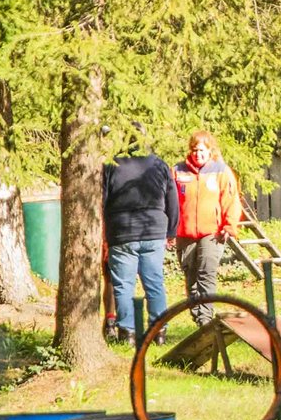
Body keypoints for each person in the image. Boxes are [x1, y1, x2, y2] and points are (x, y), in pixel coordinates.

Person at [103, 137, 179, 345]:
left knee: (123, 284)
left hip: (122, 230)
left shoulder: (111, 165)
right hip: (153, 229)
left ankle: (127, 332)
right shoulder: (159, 164)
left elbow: (102, 199)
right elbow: (172, 198)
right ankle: (159, 331)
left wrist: (104, 232)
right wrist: (171, 229)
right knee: (154, 282)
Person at [173, 131, 243, 327]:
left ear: (209, 151)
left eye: (202, 150)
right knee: (191, 276)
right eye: (195, 150)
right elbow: (170, 202)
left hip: (213, 233)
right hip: (185, 233)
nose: (198, 154)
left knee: (206, 273)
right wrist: (169, 229)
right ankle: (198, 316)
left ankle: (206, 318)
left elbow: (231, 201)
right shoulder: (178, 171)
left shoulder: (221, 171)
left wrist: (229, 226)